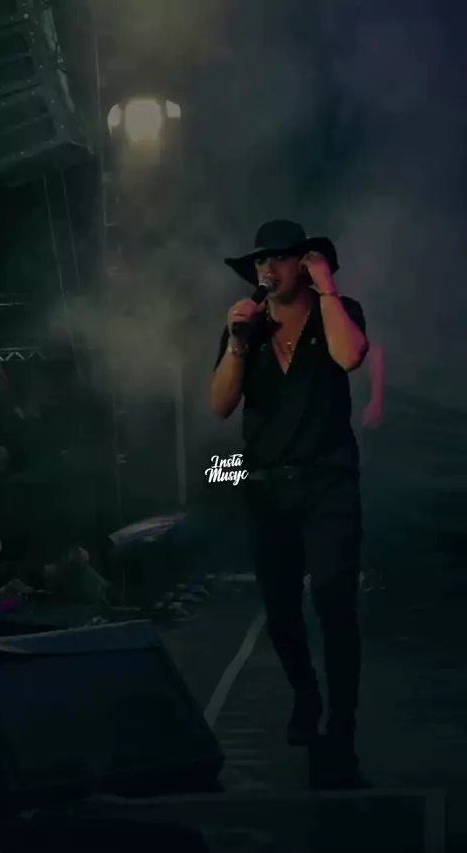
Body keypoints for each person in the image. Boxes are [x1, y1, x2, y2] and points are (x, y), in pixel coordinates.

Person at [210, 220, 370, 789]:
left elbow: (350, 357)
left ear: (303, 263)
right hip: (265, 485)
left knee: (333, 601)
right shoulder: (246, 326)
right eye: (261, 261)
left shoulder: (338, 309)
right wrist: (236, 341)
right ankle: (306, 693)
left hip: (328, 483)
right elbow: (220, 405)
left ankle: (342, 730)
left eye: (279, 258)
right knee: (280, 610)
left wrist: (327, 289)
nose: (267, 270)